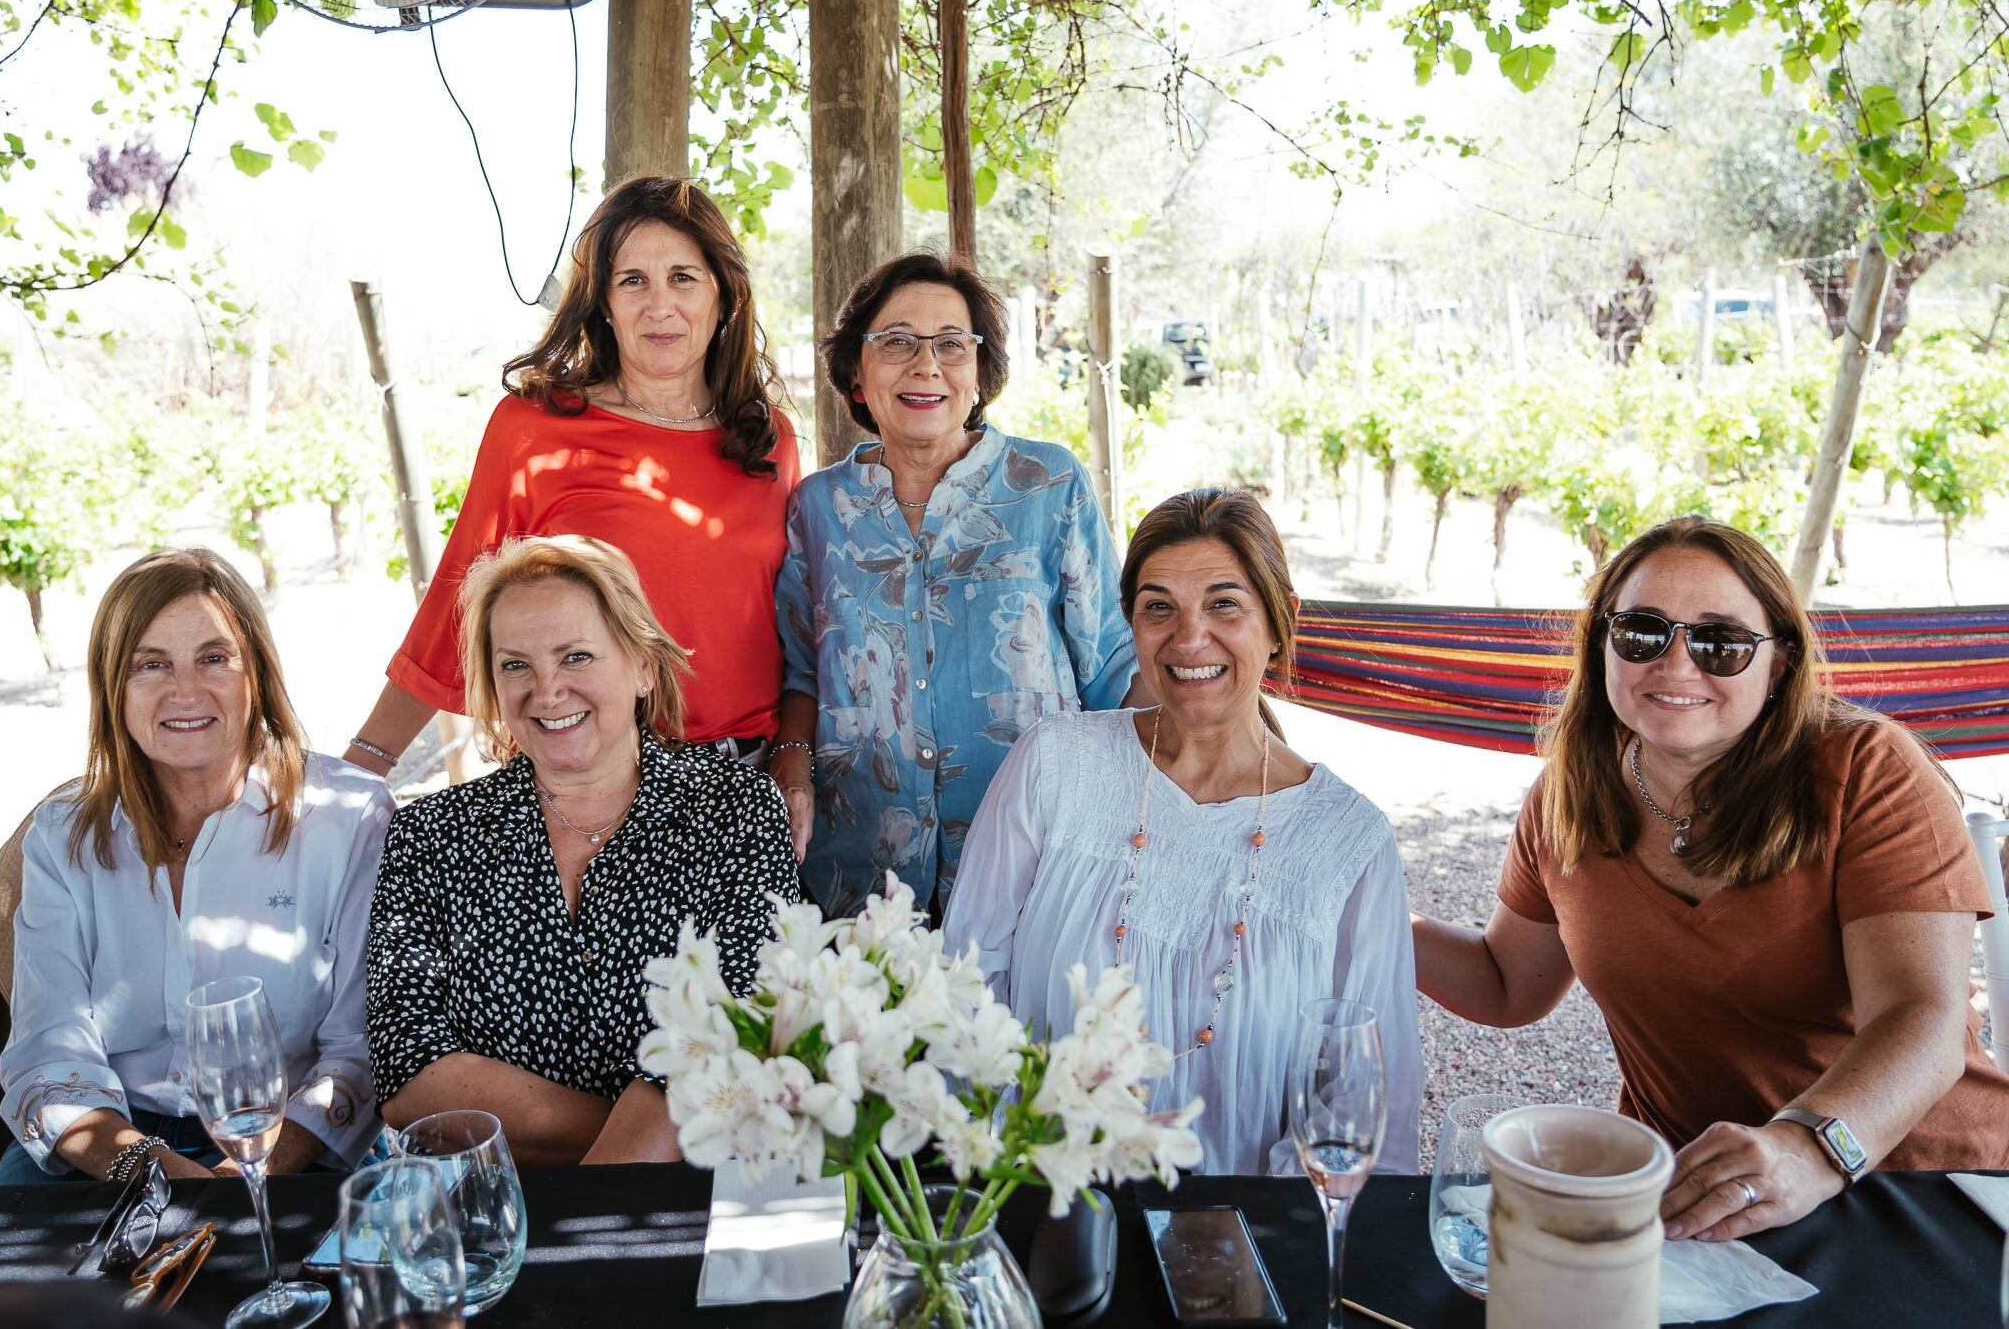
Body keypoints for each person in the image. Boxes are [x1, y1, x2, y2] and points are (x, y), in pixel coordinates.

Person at [1414, 515, 2009, 1241]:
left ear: (1779, 662)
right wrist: (1358, 916)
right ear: (1602, 642)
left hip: (1920, 1187)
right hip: (1703, 1204)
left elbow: (1923, 1016)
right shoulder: (1571, 794)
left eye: (1721, 642)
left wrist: (1808, 1147)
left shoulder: (1864, 769)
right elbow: (1509, 982)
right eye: (1641, 631)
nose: (1675, 664)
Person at [943, 489, 1422, 1176]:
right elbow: (965, 988)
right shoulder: (1053, 766)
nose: (1189, 637)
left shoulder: (1348, 842)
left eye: (1224, 603)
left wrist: (1250, 1246)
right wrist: (1021, 1167)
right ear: (1131, 625)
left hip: (1245, 1252)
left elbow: (1367, 1104)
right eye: (1158, 607)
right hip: (1038, 1202)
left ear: (1279, 621)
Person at [345, 175, 800, 778]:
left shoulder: (768, 440)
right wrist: (362, 767)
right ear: (602, 304)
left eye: (683, 278)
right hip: (585, 778)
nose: (659, 305)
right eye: (632, 281)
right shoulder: (536, 431)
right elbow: (455, 606)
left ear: (725, 296)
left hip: (743, 781)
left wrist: (795, 762)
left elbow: (801, 630)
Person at [365, 535, 797, 1166]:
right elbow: (408, 1073)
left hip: (686, 1214)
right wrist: (615, 1136)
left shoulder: (735, 809)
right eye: (515, 665)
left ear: (643, 665)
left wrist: (572, 1221)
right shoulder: (429, 836)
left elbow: (738, 1039)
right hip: (494, 1219)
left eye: (576, 657)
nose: (547, 692)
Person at [0, 549, 389, 1184]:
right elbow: (49, 1056)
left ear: (255, 673)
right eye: (150, 665)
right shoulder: (61, 839)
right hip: (108, 1146)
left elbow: (360, 1050)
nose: (186, 691)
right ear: (111, 689)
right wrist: (159, 1172)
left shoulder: (349, 817)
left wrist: (248, 1178)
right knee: (2, 1277)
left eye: (214, 658)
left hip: (298, 1144)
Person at [770, 251, 1140, 918]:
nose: (926, 364)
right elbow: (800, 672)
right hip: (859, 882)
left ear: (979, 372)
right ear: (857, 371)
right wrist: (792, 761)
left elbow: (1113, 666)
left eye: (950, 344)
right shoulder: (817, 509)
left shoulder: (1049, 486)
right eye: (897, 341)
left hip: (1034, 873)